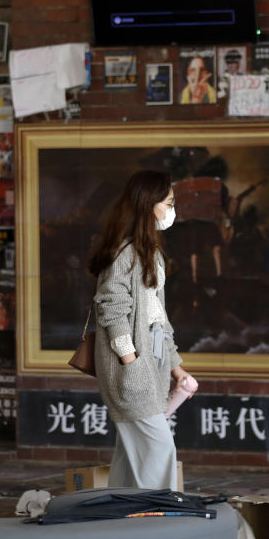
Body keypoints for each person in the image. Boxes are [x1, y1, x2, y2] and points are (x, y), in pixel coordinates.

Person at [87, 169, 196, 490]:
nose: (172, 211)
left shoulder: (148, 253)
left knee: (132, 456)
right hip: (134, 370)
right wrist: (130, 362)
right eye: (169, 203)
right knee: (159, 448)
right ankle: (160, 523)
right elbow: (111, 309)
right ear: (149, 206)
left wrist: (176, 369)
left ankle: (120, 519)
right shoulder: (124, 255)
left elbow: (158, 319)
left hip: (151, 365)